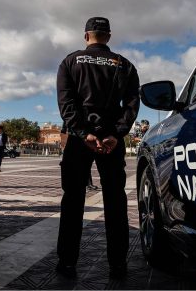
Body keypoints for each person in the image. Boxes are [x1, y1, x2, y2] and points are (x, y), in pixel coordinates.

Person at [56, 17, 140, 279]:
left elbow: (66, 102)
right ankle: (118, 263)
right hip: (111, 141)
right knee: (115, 199)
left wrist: (83, 133)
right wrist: (117, 134)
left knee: (73, 199)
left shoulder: (71, 61)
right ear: (109, 36)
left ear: (86, 36)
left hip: (80, 140)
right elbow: (132, 104)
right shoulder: (124, 64)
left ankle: (68, 261)